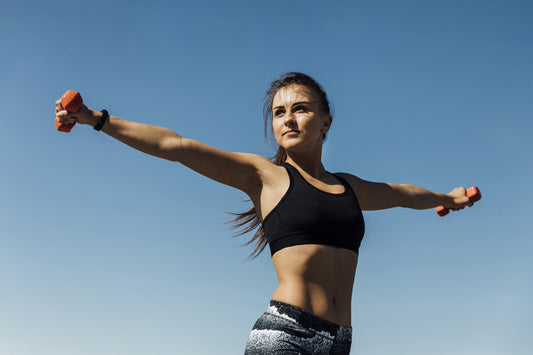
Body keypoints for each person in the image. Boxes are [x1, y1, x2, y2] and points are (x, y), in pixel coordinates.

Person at [55, 72, 474, 354]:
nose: (288, 119)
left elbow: (402, 193)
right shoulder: (264, 177)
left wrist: (449, 199)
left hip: (340, 341)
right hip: (285, 334)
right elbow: (175, 146)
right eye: (279, 112)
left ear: (326, 122)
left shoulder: (349, 187)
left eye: (300, 109)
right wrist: (97, 119)